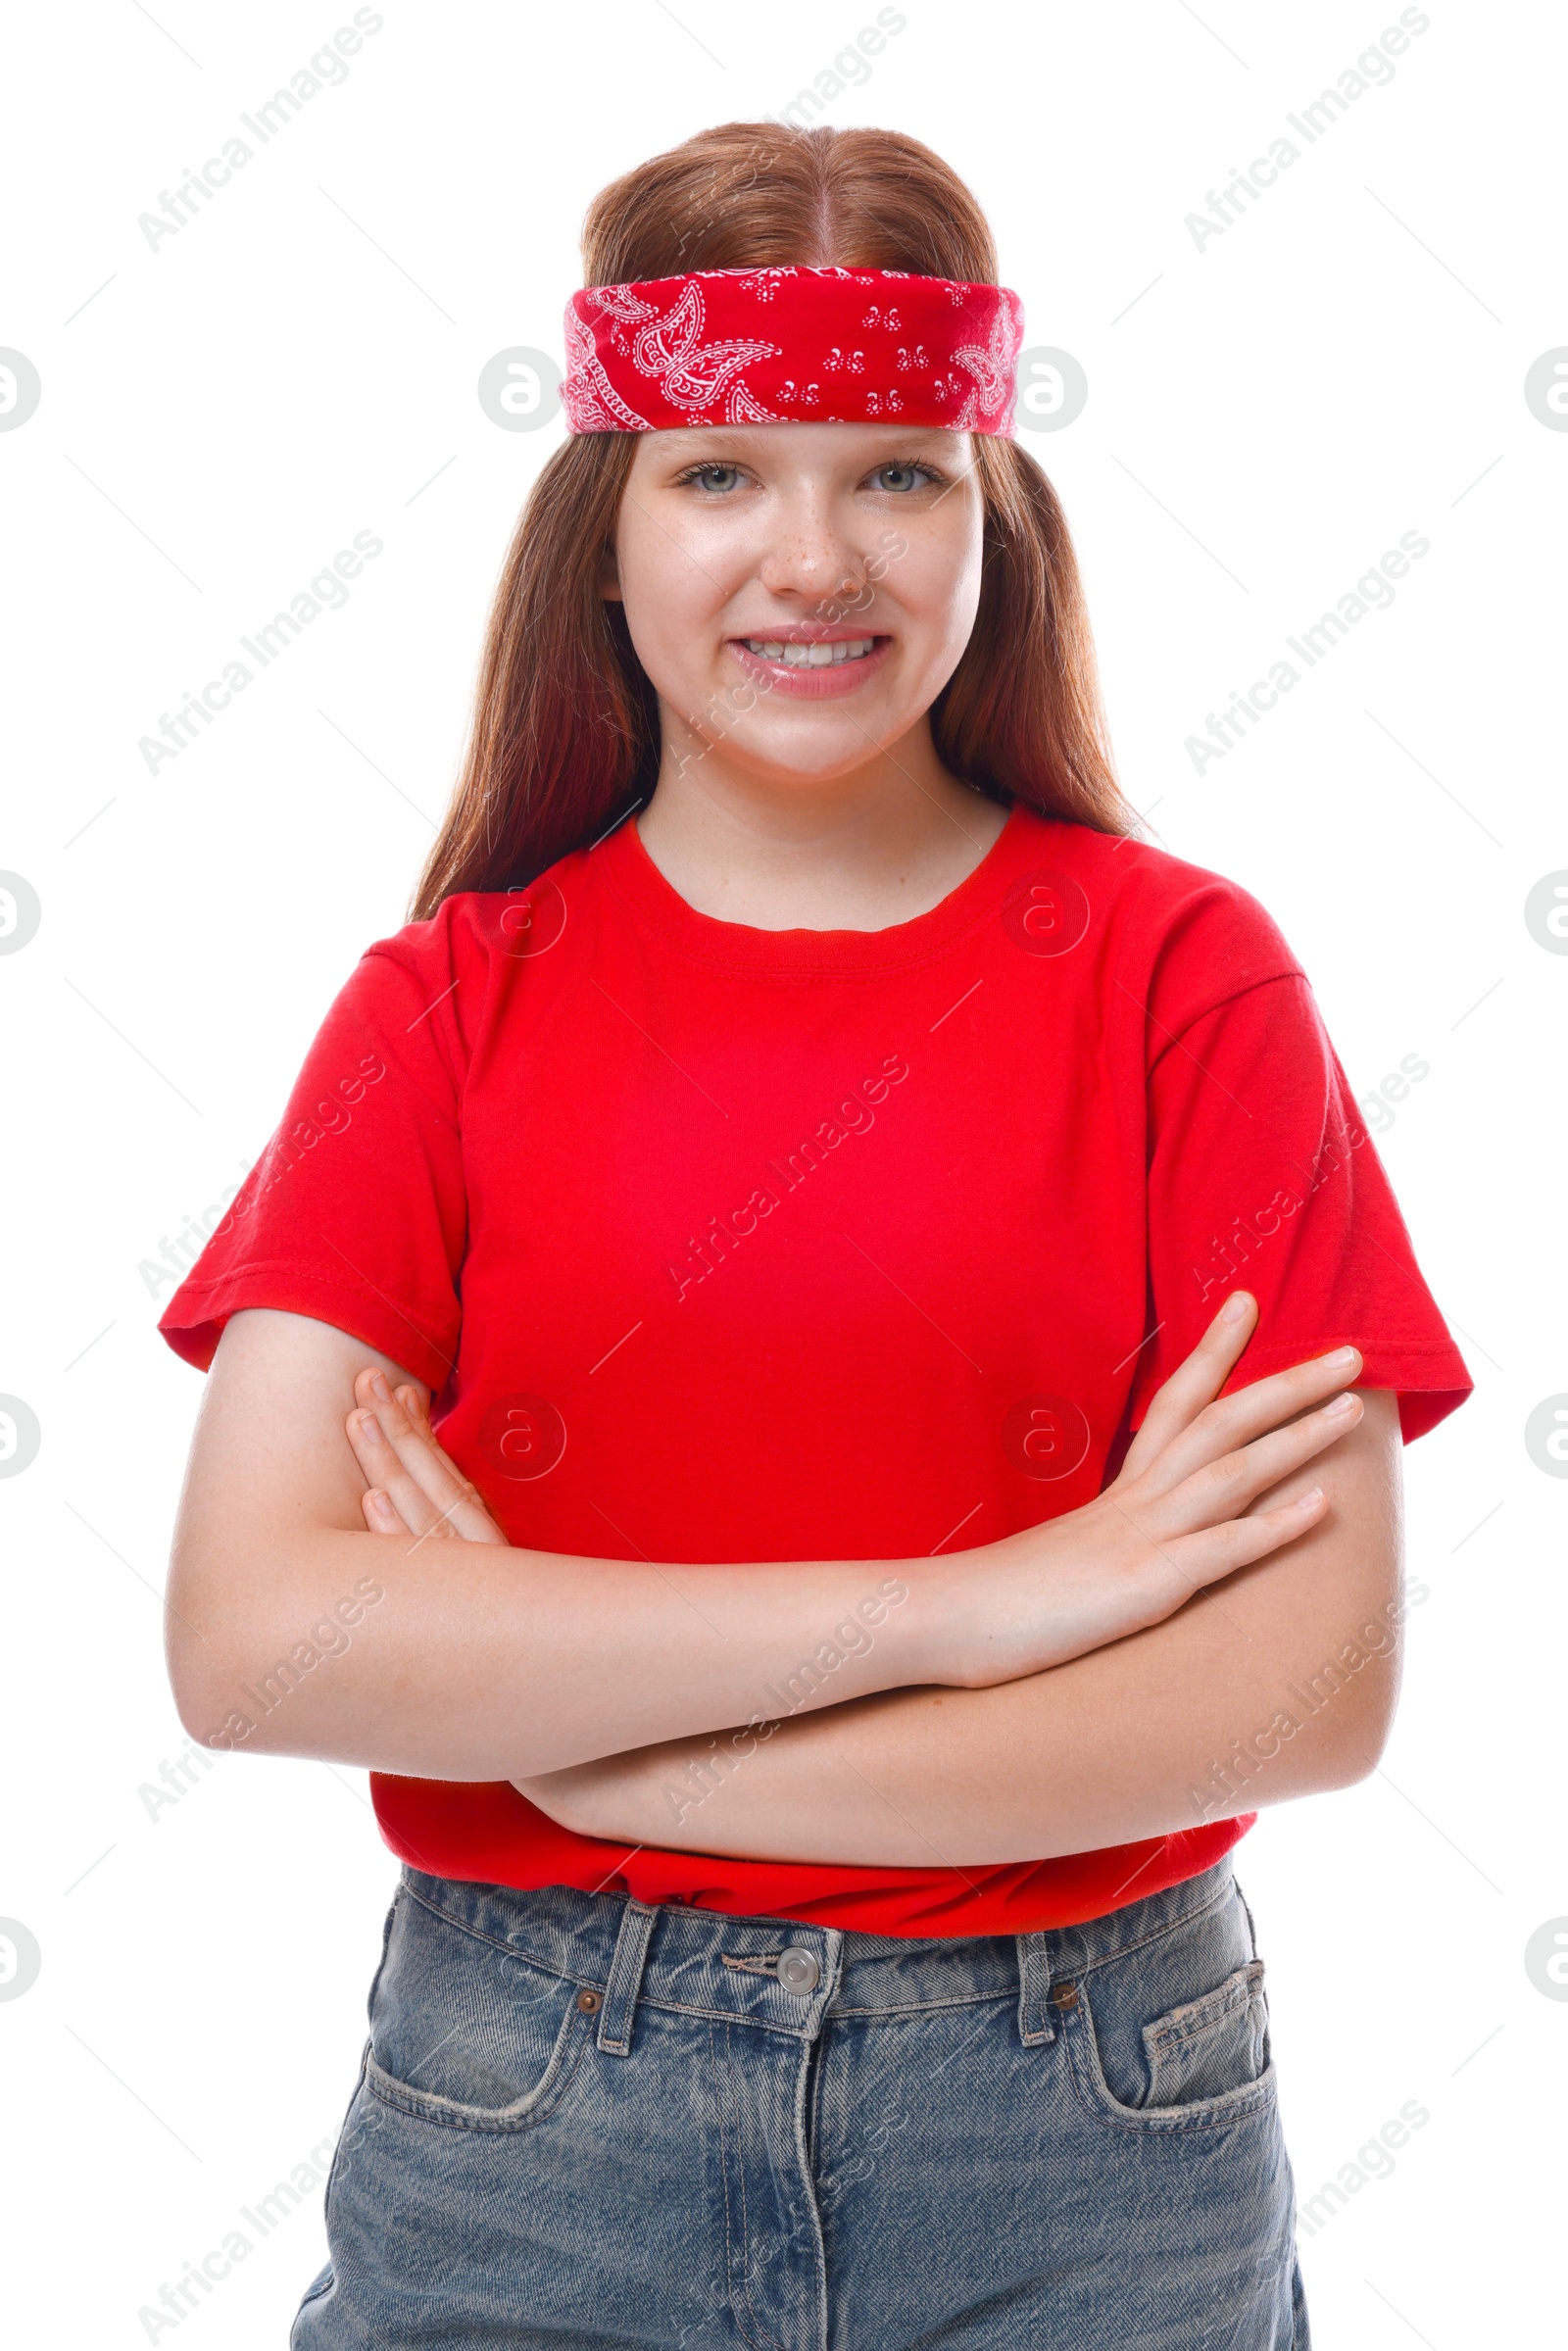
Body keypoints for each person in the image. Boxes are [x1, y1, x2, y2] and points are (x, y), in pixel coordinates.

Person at [155, 122, 1472, 2350]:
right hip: (532, 2113)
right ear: (600, 527)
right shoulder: (444, 1012)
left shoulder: (1178, 982)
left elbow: (1306, 1682)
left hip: (1085, 2127)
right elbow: (259, 1639)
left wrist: (590, 1746)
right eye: (717, 474)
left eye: (896, 472)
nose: (811, 558)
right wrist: (977, 1611)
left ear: (993, 519)